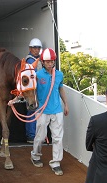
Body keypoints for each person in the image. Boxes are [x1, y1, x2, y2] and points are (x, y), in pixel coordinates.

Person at [30, 48, 69, 176]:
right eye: (47, 61)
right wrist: (15, 99)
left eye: (52, 61)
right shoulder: (37, 75)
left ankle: (56, 163)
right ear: (42, 62)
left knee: (58, 137)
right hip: (42, 110)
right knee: (40, 137)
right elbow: (29, 90)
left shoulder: (59, 75)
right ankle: (35, 155)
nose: (50, 63)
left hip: (57, 110)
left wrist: (66, 104)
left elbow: (61, 89)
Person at [25, 38, 43, 143]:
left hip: (36, 89)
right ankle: (31, 135)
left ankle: (34, 134)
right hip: (32, 90)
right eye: (34, 48)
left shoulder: (37, 59)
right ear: (30, 48)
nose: (36, 50)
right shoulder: (30, 60)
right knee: (32, 111)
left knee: (35, 111)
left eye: (38, 48)